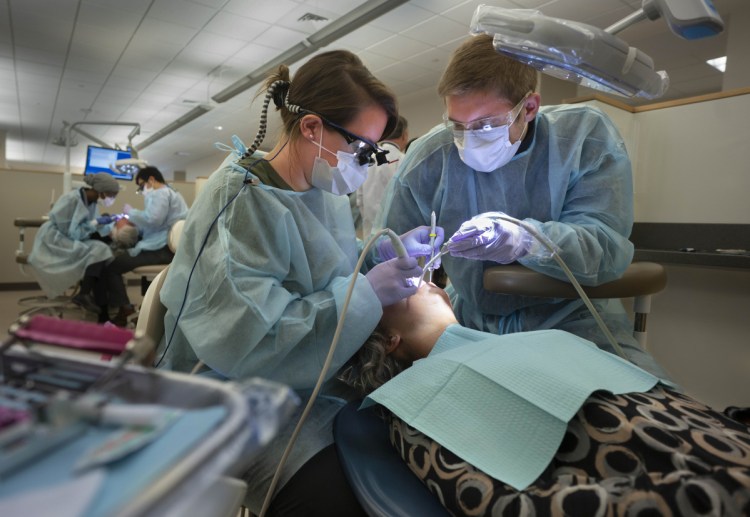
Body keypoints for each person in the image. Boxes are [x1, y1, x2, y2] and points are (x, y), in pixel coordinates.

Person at [155, 50, 444, 516]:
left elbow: (324, 270)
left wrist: (379, 256)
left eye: (374, 153)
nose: (365, 165)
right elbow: (253, 340)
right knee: (339, 498)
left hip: (309, 379)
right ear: (312, 127)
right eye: (362, 149)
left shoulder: (319, 190)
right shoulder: (242, 202)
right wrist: (368, 290)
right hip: (230, 392)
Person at [377, 34, 669, 379]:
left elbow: (605, 249)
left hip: (574, 323)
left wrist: (527, 240)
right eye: (457, 125)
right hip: (472, 324)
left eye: (485, 125)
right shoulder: (430, 157)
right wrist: (394, 252)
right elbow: (385, 260)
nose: (468, 140)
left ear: (529, 107)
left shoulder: (582, 139)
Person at [340, 283, 750, 517]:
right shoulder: (413, 403)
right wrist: (704, 498)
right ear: (390, 341)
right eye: (393, 288)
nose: (415, 276)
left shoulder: (540, 340)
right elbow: (501, 503)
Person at [95, 166, 187, 326]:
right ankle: (141, 308)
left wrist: (132, 213)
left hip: (161, 249)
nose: (141, 190)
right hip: (163, 247)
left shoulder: (161, 193)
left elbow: (153, 219)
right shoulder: (171, 193)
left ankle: (125, 309)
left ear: (151, 179)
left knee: (112, 267)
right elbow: (154, 224)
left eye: (141, 185)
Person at [28, 172, 120, 307]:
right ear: (101, 191)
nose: (111, 199)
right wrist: (95, 223)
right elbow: (72, 233)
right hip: (55, 240)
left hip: (71, 237)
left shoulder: (92, 202)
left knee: (101, 250)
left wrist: (107, 225)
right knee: (99, 251)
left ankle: (85, 294)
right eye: (111, 195)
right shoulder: (70, 200)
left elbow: (86, 227)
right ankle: (84, 294)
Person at [356, 115, 409, 237]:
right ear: (405, 135)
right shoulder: (405, 160)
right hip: (398, 234)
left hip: (371, 233)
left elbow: (359, 200)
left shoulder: (366, 160)